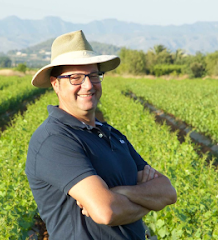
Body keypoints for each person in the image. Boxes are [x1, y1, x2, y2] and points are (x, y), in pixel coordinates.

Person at [25, 30, 177, 240]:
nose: (87, 85)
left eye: (94, 76)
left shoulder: (112, 135)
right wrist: (148, 200)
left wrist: (122, 193)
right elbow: (106, 212)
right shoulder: (54, 139)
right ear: (55, 84)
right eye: (75, 78)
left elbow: (167, 192)